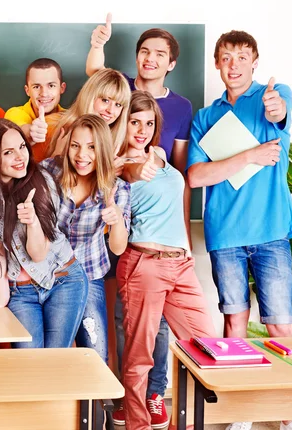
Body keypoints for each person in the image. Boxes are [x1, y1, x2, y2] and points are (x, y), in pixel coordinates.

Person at [187, 31, 292, 430]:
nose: (233, 64)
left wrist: (275, 107)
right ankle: (242, 411)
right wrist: (251, 155)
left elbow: (279, 112)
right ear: (217, 64)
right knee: (234, 325)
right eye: (225, 57)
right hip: (226, 236)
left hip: (270, 233)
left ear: (255, 61)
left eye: (241, 56)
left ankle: (286, 411)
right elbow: (197, 176)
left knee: (279, 327)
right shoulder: (205, 116)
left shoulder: (272, 94)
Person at [86, 13, 193, 427]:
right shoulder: (121, 91)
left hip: (156, 234)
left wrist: (181, 238)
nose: (149, 58)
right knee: (118, 314)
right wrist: (97, 43)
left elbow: (177, 175)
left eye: (159, 54)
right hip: (111, 221)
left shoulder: (181, 107)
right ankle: (119, 392)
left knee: (158, 320)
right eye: (144, 51)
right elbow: (97, 76)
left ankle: (152, 392)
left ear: (171, 63)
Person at [117, 91, 216, 430]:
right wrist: (130, 165)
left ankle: (185, 423)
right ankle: (138, 425)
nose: (141, 130)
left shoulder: (159, 153)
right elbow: (129, 172)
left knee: (205, 346)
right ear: (122, 123)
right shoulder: (117, 164)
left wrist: (187, 249)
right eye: (134, 122)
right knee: (140, 355)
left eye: (148, 122)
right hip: (145, 264)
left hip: (181, 264)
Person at [0, 118, 88, 349]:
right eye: (8, 152)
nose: (20, 157)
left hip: (62, 280)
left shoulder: (43, 181)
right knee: (29, 361)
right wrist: (1, 296)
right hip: (19, 291)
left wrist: (32, 222)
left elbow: (38, 254)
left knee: (54, 361)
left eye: (22, 147)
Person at [40, 114, 130, 367]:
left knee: (96, 355)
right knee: (50, 356)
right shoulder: (48, 171)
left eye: (91, 147)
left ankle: (94, 408)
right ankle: (55, 406)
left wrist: (115, 220)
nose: (82, 155)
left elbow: (118, 247)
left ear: (102, 149)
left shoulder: (116, 188)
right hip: (48, 274)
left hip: (89, 273)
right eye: (76, 146)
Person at [48, 68, 130, 159]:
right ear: (90, 96)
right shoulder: (52, 126)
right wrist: (56, 155)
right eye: (105, 100)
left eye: (118, 105)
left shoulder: (117, 142)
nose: (111, 110)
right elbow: (34, 171)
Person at [5, 58, 66, 161]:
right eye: (36, 87)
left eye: (51, 85)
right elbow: (19, 128)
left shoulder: (69, 118)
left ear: (62, 88)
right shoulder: (15, 113)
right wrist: (31, 132)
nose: (44, 94)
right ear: (27, 90)